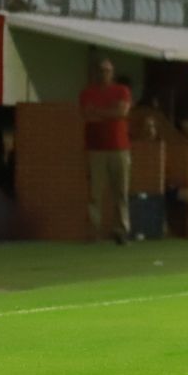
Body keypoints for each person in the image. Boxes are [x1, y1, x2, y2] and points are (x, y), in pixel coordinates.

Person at [79, 57, 132, 244]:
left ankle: (121, 230)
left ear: (112, 72)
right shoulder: (87, 93)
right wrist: (111, 113)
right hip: (95, 148)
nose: (104, 74)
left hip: (119, 148)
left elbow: (122, 113)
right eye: (101, 70)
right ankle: (93, 232)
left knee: (121, 191)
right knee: (95, 193)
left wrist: (100, 112)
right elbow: (87, 115)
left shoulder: (122, 91)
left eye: (107, 70)